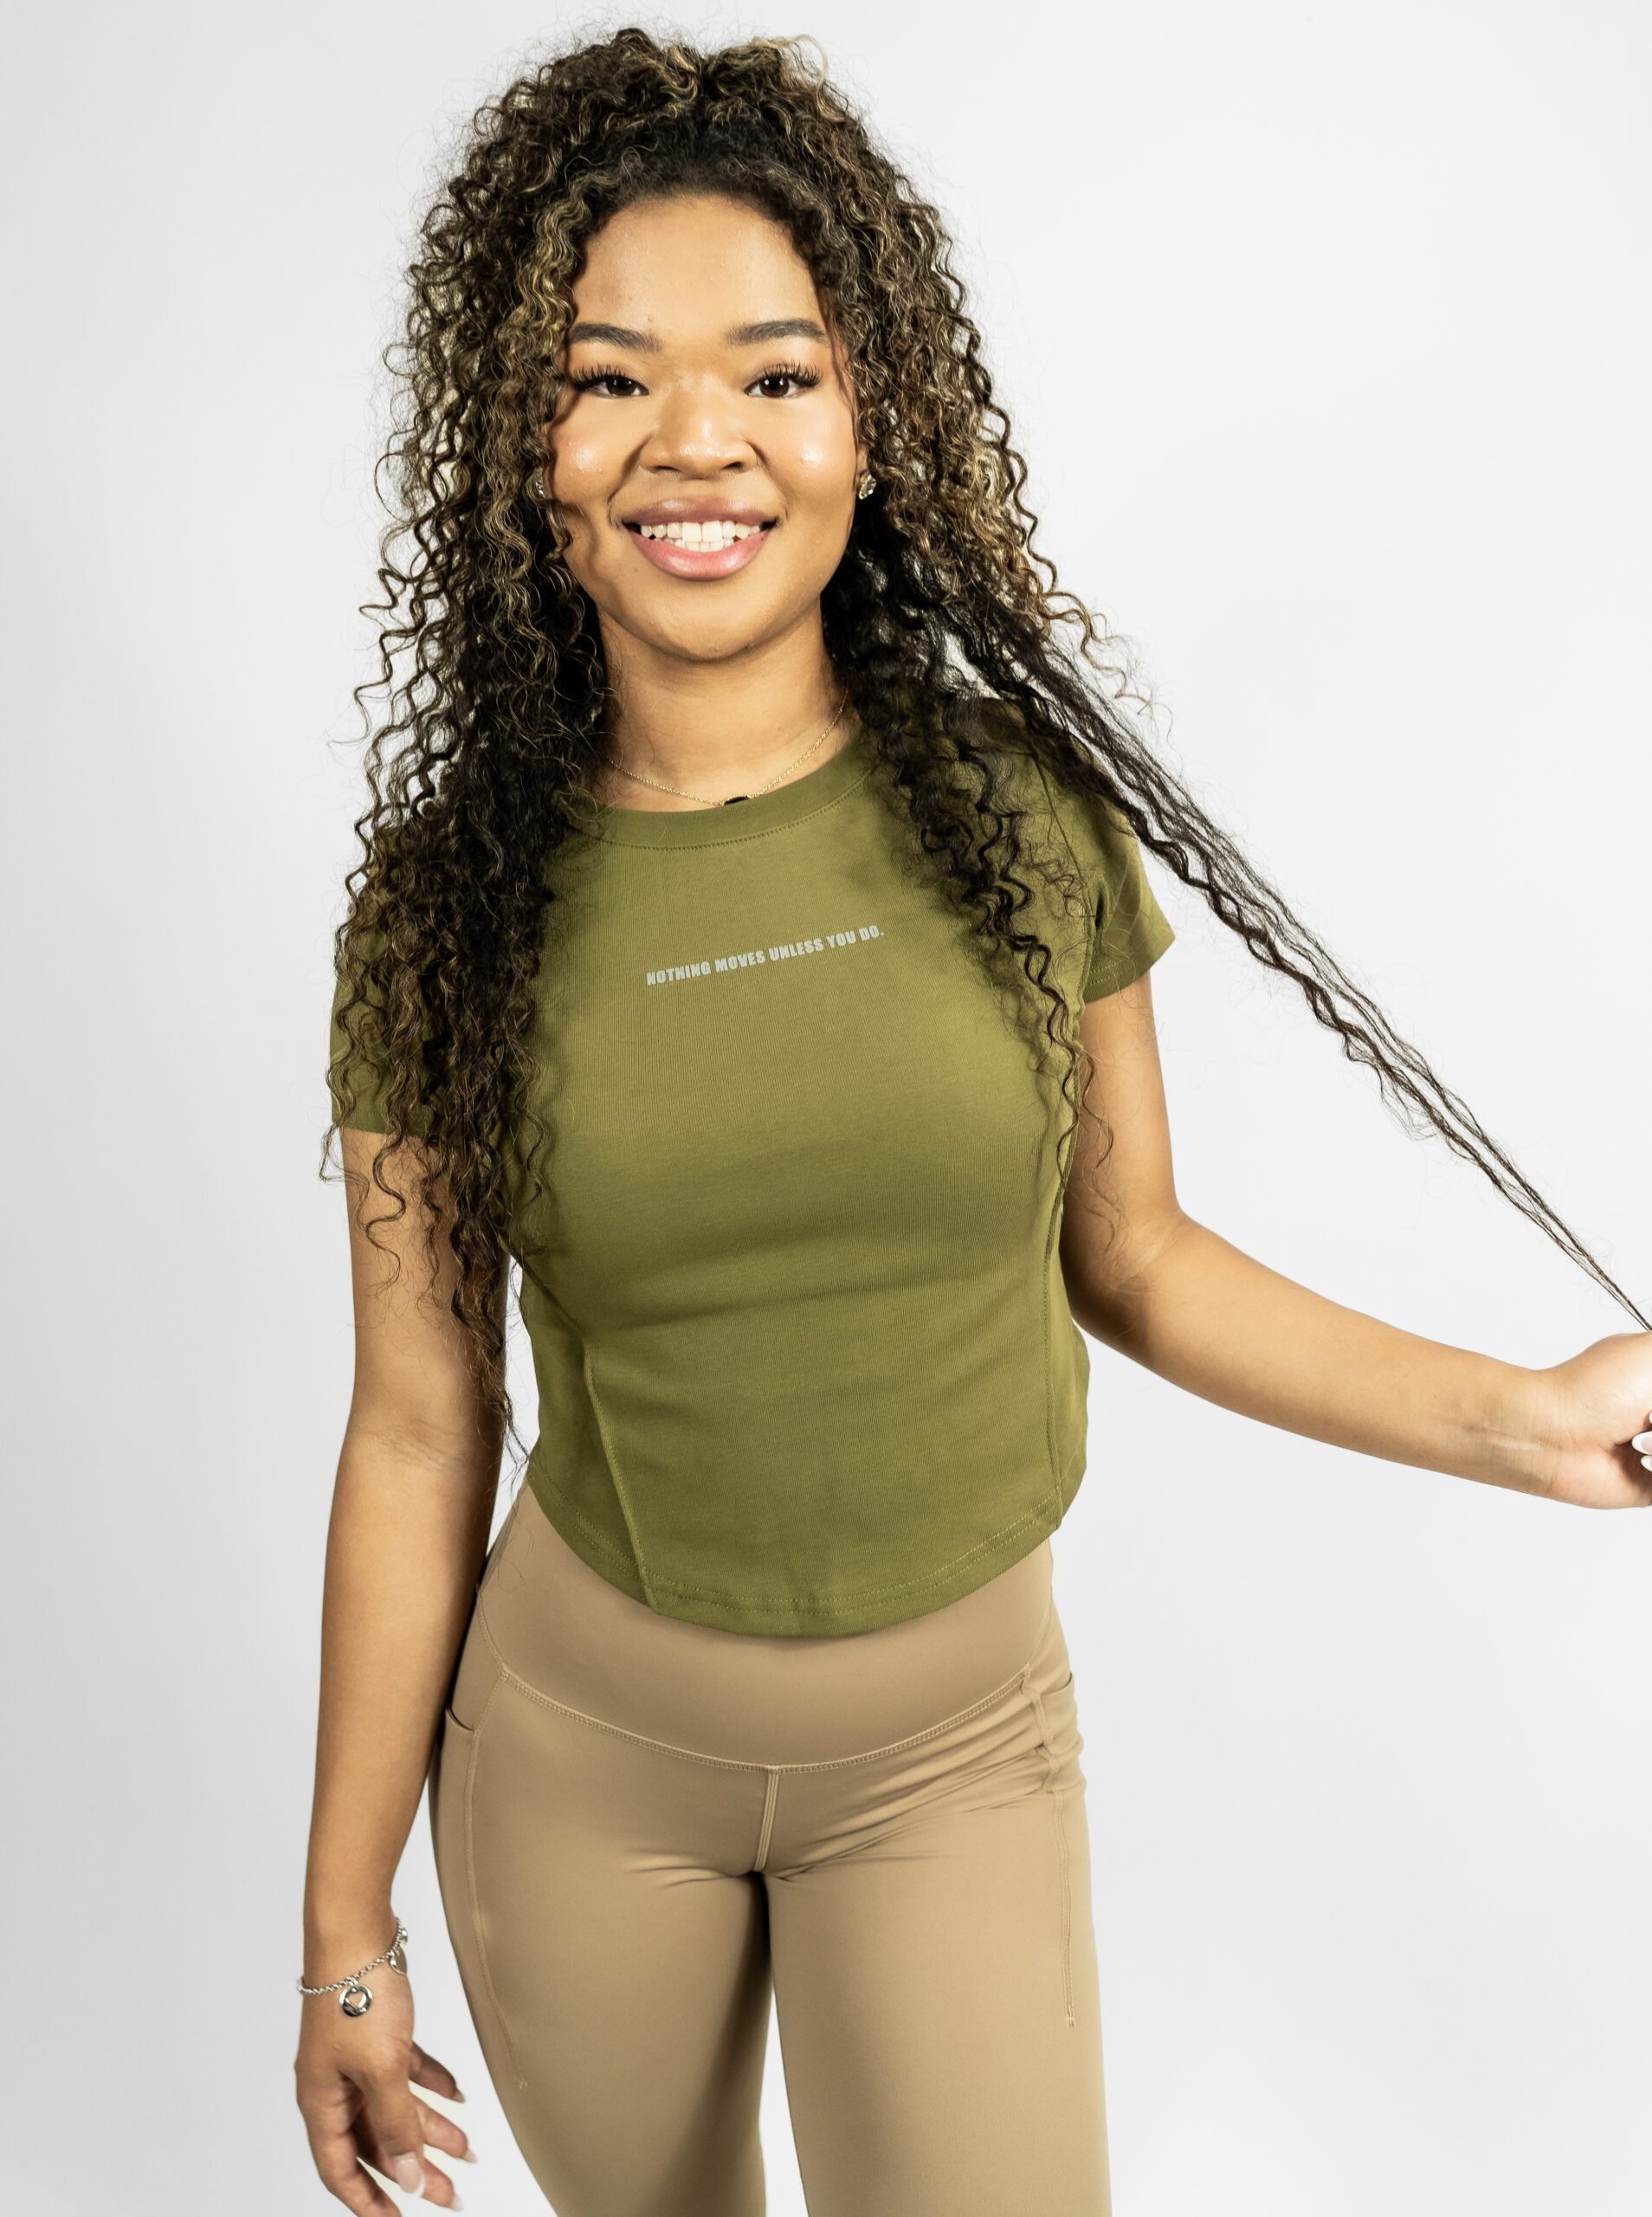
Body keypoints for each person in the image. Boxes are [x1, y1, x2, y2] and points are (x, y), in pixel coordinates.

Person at [295, 29, 1652, 2217]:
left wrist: (1531, 1417)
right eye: (610, 377)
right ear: (521, 447)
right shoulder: (450, 905)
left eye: (776, 371)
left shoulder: (1019, 822)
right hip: (579, 1765)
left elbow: (1140, 1255)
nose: (697, 441)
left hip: (952, 1754)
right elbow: (419, 1425)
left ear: (872, 421)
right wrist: (343, 1929)